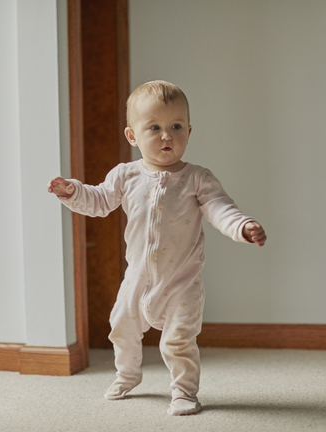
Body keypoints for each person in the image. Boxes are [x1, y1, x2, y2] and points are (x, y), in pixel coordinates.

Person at [47, 80, 266, 416]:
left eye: (176, 126)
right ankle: (128, 374)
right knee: (121, 326)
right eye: (155, 127)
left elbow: (221, 208)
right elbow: (99, 200)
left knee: (178, 341)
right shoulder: (125, 175)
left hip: (181, 282)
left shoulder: (197, 178)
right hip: (137, 278)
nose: (167, 136)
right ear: (132, 136)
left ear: (189, 132)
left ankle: (184, 393)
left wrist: (242, 226)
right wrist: (71, 191)